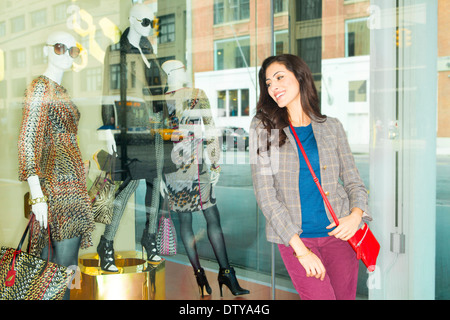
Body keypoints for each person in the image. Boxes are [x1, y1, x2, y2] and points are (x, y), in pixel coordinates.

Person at [250, 54, 371, 300]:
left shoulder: (331, 126)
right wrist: (301, 251)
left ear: (300, 77)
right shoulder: (264, 127)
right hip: (296, 239)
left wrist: (355, 216)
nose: (273, 87)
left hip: (340, 236)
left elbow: (353, 181)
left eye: (279, 77)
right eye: (268, 83)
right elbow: (266, 194)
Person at [160, 60, 249, 298]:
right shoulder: (196, 94)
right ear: (173, 73)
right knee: (211, 219)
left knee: (192, 224)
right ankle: (225, 274)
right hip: (191, 169)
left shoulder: (162, 100)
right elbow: (210, 128)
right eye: (182, 69)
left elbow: (160, 141)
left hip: (176, 170)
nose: (186, 72)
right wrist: (215, 161)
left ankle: (202, 277)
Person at [17, 31, 95, 300]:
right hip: (58, 186)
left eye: (74, 50)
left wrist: (78, 164)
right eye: (61, 47)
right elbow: (28, 140)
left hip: (70, 182)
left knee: (57, 266)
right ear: (47, 51)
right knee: (62, 267)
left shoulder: (59, 90)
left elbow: (61, 138)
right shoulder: (41, 87)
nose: (68, 54)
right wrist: (36, 193)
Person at [96, 3, 165, 271]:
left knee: (156, 183)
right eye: (145, 21)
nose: (149, 26)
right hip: (133, 126)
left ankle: (149, 239)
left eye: (152, 22)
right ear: (132, 19)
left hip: (157, 126)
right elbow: (108, 91)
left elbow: (157, 92)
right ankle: (107, 242)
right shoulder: (116, 51)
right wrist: (108, 127)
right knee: (131, 184)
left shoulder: (150, 51)